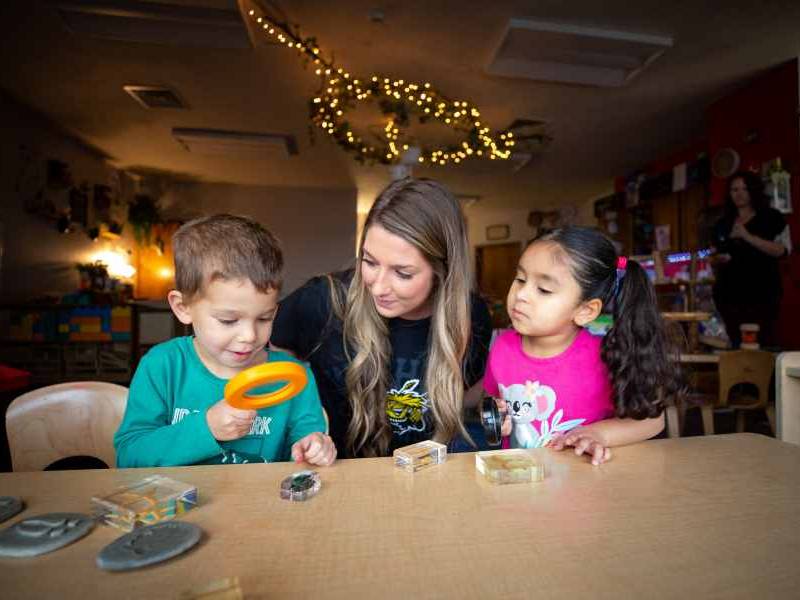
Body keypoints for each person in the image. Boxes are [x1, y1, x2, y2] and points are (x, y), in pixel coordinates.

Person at [271, 178, 492, 458]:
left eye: (403, 273)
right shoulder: (322, 300)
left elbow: (470, 396)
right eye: (370, 262)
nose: (378, 287)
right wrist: (302, 424)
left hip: (427, 480)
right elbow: (265, 359)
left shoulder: (471, 316)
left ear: (443, 271)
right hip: (337, 479)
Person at [115, 214, 336, 467]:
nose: (250, 336)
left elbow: (305, 450)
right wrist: (205, 428)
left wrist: (314, 448)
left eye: (264, 318)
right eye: (228, 321)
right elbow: (129, 458)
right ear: (183, 307)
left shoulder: (295, 376)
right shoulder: (161, 366)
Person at [485, 227, 682, 465]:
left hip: (584, 491)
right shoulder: (502, 347)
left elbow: (653, 420)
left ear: (585, 311)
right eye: (520, 279)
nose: (521, 294)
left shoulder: (605, 356)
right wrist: (498, 414)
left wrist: (599, 434)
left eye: (544, 289)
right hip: (520, 484)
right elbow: (493, 400)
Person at [712, 170, 790, 347]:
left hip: (762, 292)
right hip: (729, 295)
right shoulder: (722, 223)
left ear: (753, 191)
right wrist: (716, 258)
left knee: (762, 343)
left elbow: (783, 250)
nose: (739, 194)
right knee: (734, 344)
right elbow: (716, 253)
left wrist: (748, 237)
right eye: (734, 190)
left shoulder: (772, 217)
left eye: (744, 189)